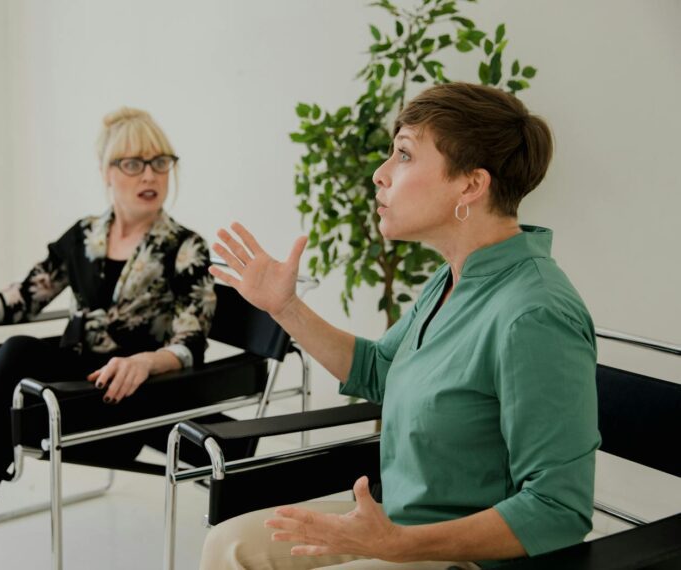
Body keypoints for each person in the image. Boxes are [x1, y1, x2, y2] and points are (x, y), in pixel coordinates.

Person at [203, 82, 600, 569]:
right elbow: (381, 371)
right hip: (404, 525)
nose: (380, 174)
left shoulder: (535, 314)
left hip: (467, 556)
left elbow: (558, 509)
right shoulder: (452, 280)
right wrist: (286, 308)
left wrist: (397, 546)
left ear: (470, 186)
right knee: (229, 544)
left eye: (404, 156)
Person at [0, 107, 216, 570]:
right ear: (107, 172)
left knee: (18, 351)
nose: (150, 174)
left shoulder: (185, 247)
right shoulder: (84, 236)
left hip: (128, 400)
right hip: (70, 386)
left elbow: (191, 341)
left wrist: (145, 361)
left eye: (161, 162)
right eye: (133, 163)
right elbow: (21, 297)